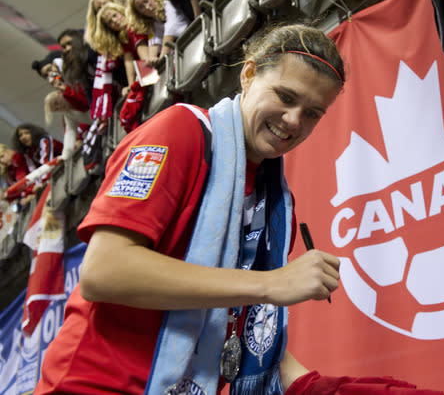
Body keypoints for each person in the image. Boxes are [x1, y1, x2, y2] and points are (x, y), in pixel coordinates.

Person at [34, 23, 345, 395]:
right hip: (93, 384)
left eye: (313, 113)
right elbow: (104, 272)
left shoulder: (276, 203)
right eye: (285, 96)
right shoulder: (179, 131)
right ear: (248, 74)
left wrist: (319, 388)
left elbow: (240, 324)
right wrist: (269, 284)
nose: (294, 120)